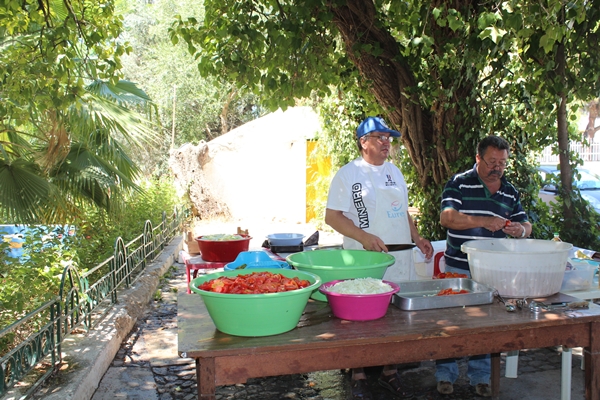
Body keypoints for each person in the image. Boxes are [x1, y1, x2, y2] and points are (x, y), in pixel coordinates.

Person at [325, 116, 434, 400]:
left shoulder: (395, 172)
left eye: (389, 138)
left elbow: (402, 210)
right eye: (380, 137)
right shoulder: (348, 174)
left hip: (400, 257)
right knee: (360, 317)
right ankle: (358, 374)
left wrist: (417, 238)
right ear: (364, 142)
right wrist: (363, 237)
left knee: (396, 317)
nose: (387, 143)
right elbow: (332, 216)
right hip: (364, 258)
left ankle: (390, 371)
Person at [436, 135, 532, 397]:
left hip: (492, 271)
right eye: (491, 162)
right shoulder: (459, 183)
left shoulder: (510, 191)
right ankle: (445, 375)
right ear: (478, 158)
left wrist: (520, 230)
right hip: (458, 268)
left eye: (502, 162)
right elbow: (447, 218)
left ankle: (480, 377)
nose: (497, 168)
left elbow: (527, 225)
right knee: (452, 322)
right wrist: (484, 220)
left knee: (486, 325)